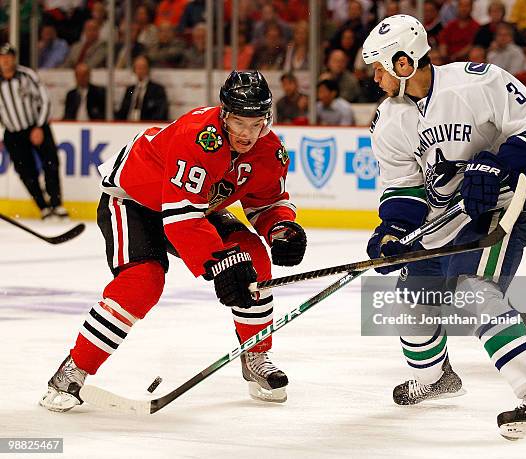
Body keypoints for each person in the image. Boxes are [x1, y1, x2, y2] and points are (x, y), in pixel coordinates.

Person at [39, 70, 307, 412]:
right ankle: (72, 371)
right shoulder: (198, 136)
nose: (247, 133)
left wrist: (281, 230)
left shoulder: (269, 151)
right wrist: (221, 264)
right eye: (239, 122)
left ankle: (255, 353)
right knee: (143, 281)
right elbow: (181, 220)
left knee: (253, 258)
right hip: (133, 199)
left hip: (192, 207)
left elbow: (267, 204)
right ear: (224, 114)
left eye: (256, 123)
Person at [362, 15, 526, 438]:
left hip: (496, 213)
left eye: (379, 67)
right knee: (411, 303)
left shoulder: (479, 82)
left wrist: (497, 164)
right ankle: (438, 379)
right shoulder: (388, 120)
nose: (374, 77)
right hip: (438, 225)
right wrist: (392, 233)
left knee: (474, 289)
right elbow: (404, 187)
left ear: (403, 64)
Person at [0, 43, 68, 220]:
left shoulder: (27, 75)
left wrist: (39, 126)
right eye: (2, 57)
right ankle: (43, 207)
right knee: (26, 172)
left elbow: (45, 100)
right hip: (13, 133)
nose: (5, 61)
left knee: (51, 163)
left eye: (8, 57)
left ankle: (56, 204)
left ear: (14, 58)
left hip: (36, 126)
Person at [116, 55, 169, 121]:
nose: (140, 70)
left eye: (143, 67)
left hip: (146, 125)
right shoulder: (130, 89)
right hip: (129, 124)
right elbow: (123, 111)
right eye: (138, 67)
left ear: (148, 69)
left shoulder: (157, 90)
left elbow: (160, 113)